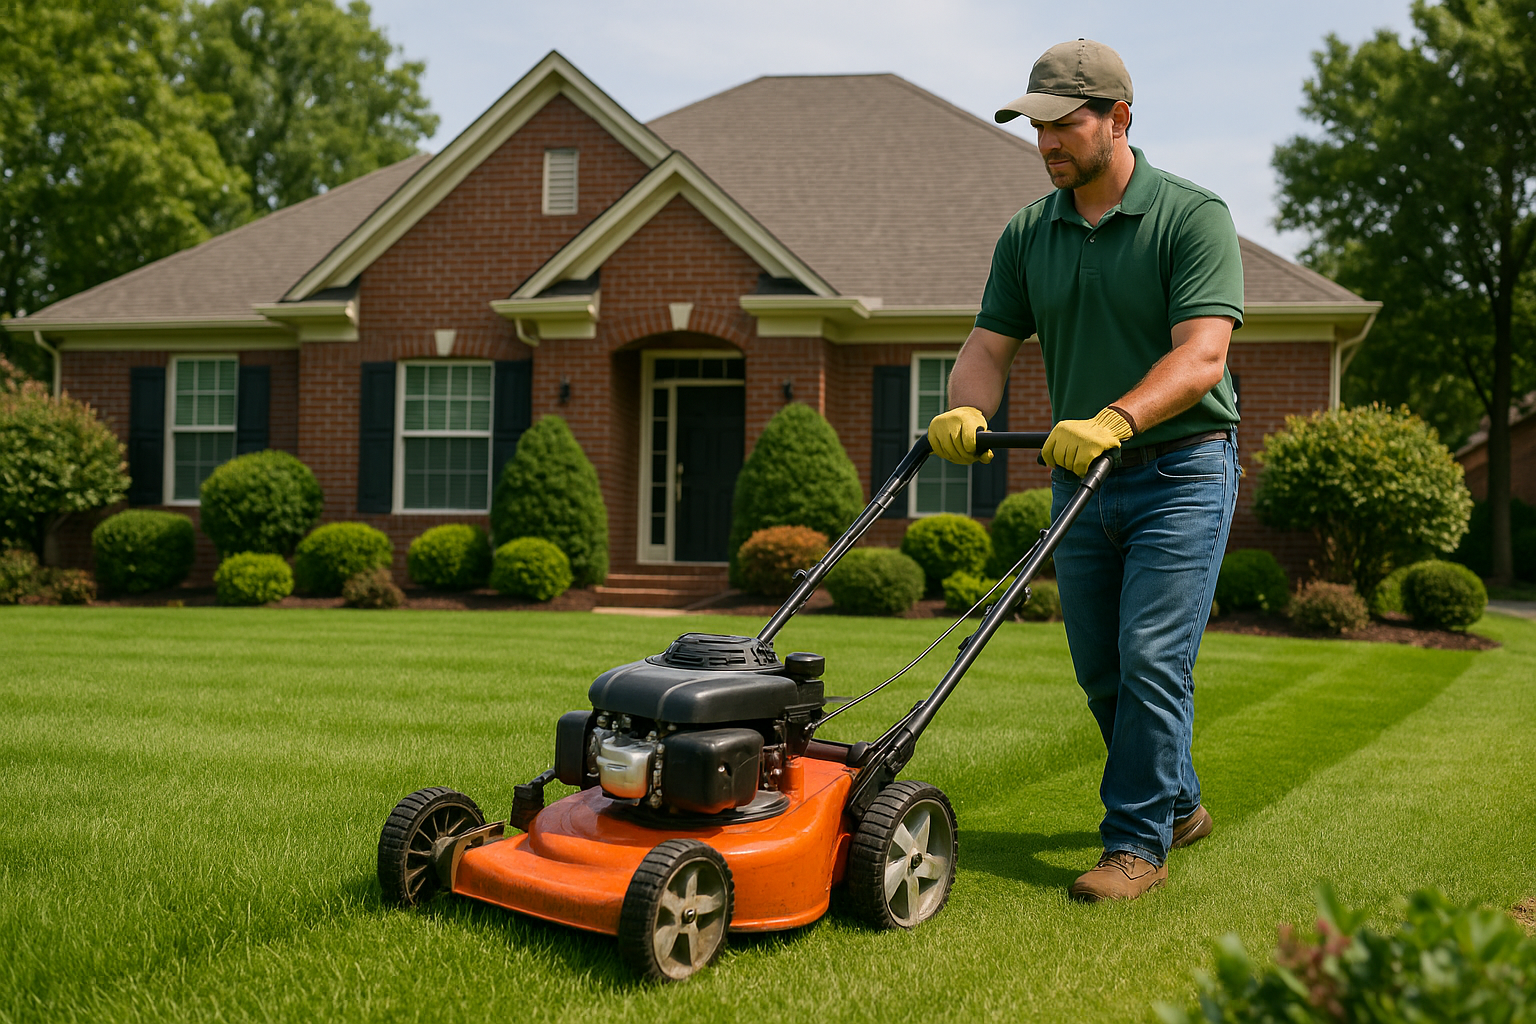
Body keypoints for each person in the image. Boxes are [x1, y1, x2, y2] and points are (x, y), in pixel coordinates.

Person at [927, 38, 1243, 902]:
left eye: (1063, 125)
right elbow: (988, 346)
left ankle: (1135, 845)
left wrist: (1116, 418)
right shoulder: (1030, 232)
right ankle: (1178, 803)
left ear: (1119, 119)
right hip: (1081, 482)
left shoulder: (1191, 217)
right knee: (1102, 670)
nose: (1046, 143)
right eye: (1037, 128)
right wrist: (967, 408)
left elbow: (1203, 356)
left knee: (1151, 658)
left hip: (1182, 472)